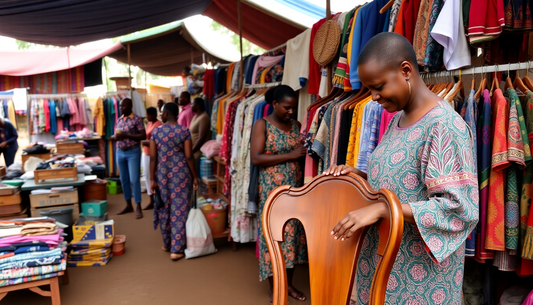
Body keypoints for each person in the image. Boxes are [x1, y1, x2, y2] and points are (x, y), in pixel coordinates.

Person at [325, 32, 478, 304]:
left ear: (405, 70)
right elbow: (400, 182)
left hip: (419, 282)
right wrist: (358, 176)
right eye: (369, 89)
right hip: (383, 266)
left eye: (378, 87)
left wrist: (385, 209)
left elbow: (459, 209)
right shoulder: (398, 120)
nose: (372, 97)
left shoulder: (443, 126)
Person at [250, 85, 308, 303]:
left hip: (294, 192)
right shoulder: (261, 124)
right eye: (286, 107)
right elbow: (256, 158)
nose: (291, 112)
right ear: (274, 104)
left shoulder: (297, 126)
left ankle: (289, 284)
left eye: (293, 108)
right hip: (271, 193)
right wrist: (291, 154)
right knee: (273, 238)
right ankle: (275, 287)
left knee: (291, 238)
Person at [150, 102, 199, 261]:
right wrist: (195, 176)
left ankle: (166, 243)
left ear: (164, 114)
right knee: (180, 209)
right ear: (176, 114)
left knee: (164, 207)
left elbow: (152, 158)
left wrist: (151, 178)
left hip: (162, 175)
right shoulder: (184, 131)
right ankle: (177, 249)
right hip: (181, 176)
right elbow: (189, 156)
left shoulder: (156, 132)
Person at [114, 98, 147, 219]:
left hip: (133, 152)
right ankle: (128, 205)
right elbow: (118, 134)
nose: (121, 108)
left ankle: (138, 205)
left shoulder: (137, 119)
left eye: (123, 106)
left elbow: (143, 135)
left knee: (134, 179)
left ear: (130, 106)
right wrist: (116, 137)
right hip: (120, 151)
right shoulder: (119, 119)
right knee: (124, 180)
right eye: (120, 106)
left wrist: (126, 135)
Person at [141, 107, 162, 210]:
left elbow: (159, 141)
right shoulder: (149, 123)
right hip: (146, 152)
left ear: (153, 114)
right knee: (146, 175)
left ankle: (156, 199)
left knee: (153, 176)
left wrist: (147, 143)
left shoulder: (159, 124)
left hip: (153, 153)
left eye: (148, 114)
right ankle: (151, 199)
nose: (146, 116)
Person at [190, 98, 211, 162]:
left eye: (192, 104)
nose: (191, 106)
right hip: (194, 153)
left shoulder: (204, 117)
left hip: (198, 154)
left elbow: (201, 138)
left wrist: (191, 151)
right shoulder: (195, 116)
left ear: (198, 105)